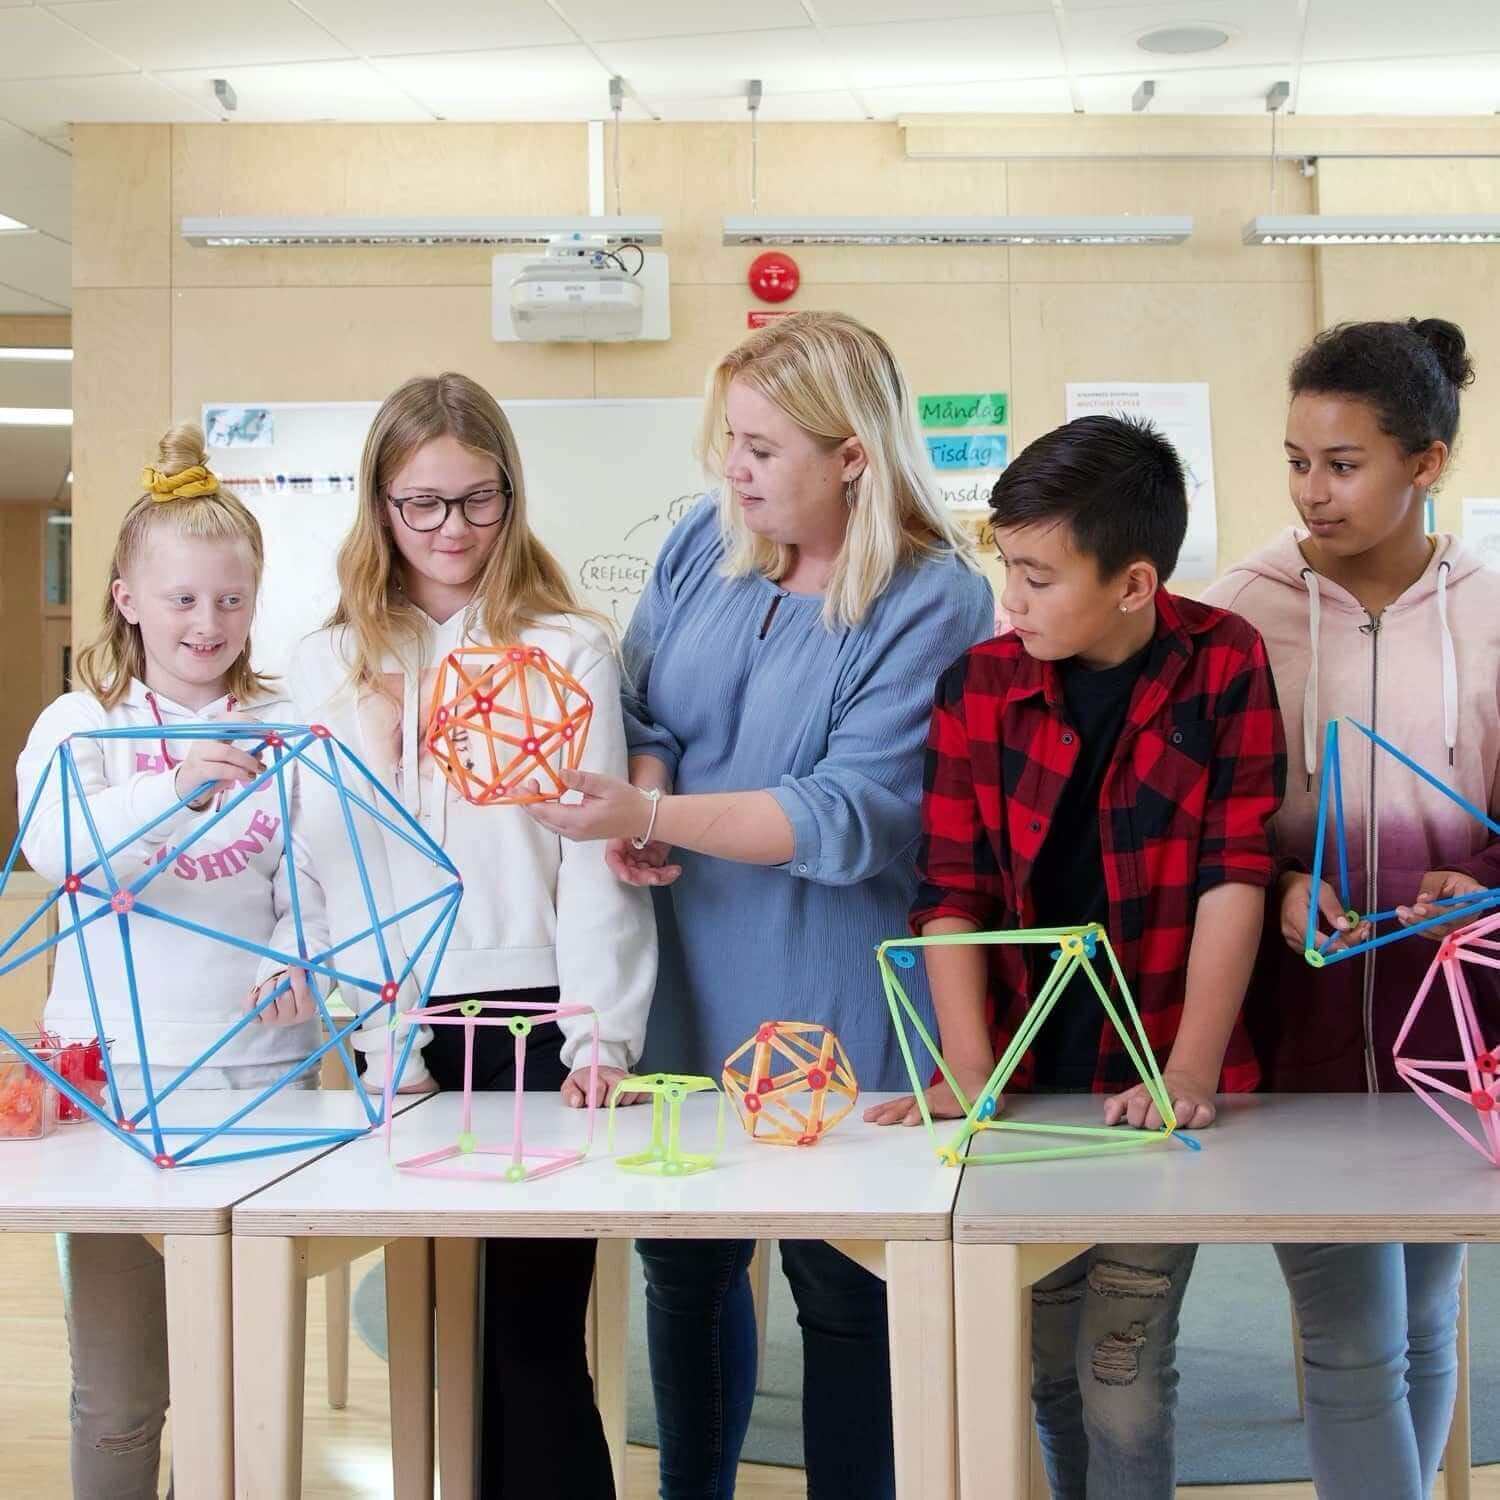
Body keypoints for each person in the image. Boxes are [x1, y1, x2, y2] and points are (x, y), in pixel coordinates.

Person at [526, 311, 993, 1499]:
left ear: (853, 455)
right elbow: (645, 708)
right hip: (688, 969)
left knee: (842, 1284)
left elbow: (856, 813)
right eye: (727, 440)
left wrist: (651, 822)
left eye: (761, 447)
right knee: (685, 1272)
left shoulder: (936, 596)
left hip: (836, 984)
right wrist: (649, 782)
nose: (731, 470)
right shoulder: (706, 540)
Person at [871, 412, 1286, 1500]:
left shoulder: (1225, 663)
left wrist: (1188, 1066)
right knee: (1048, 1373)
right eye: (1005, 566)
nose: (1009, 599)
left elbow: (1233, 873)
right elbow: (949, 892)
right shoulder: (977, 686)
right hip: (1027, 1091)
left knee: (1127, 1386)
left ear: (1136, 583)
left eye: (1039, 578)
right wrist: (969, 1064)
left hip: (1147, 1081)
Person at [288, 371, 656, 1498]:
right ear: (381, 506)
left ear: (511, 492)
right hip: (397, 1036)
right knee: (439, 1339)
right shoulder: (329, 658)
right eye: (423, 504)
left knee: (530, 1339)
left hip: (536, 1020)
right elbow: (323, 864)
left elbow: (595, 862)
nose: (453, 531)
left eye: (478, 499)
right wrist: (363, 1029)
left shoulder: (568, 646)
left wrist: (601, 1036)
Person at [1203, 317, 1500, 1499]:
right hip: (1295, 1034)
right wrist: (1277, 885)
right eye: (1295, 460)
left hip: (1453, 1037)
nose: (1311, 492)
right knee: (1349, 1338)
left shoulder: (1489, 612)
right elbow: (1203, 823)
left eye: (1343, 463)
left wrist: (1474, 881)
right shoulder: (1237, 610)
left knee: (1427, 1314)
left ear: (1425, 463)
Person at [18, 423, 325, 1500]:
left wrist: (298, 959)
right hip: (104, 1097)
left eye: (231, 600)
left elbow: (314, 887)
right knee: (118, 1393)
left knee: (240, 1384)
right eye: (184, 599)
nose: (209, 624)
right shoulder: (77, 722)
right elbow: (55, 848)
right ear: (126, 598)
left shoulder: (285, 726)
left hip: (256, 1085)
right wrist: (175, 783)